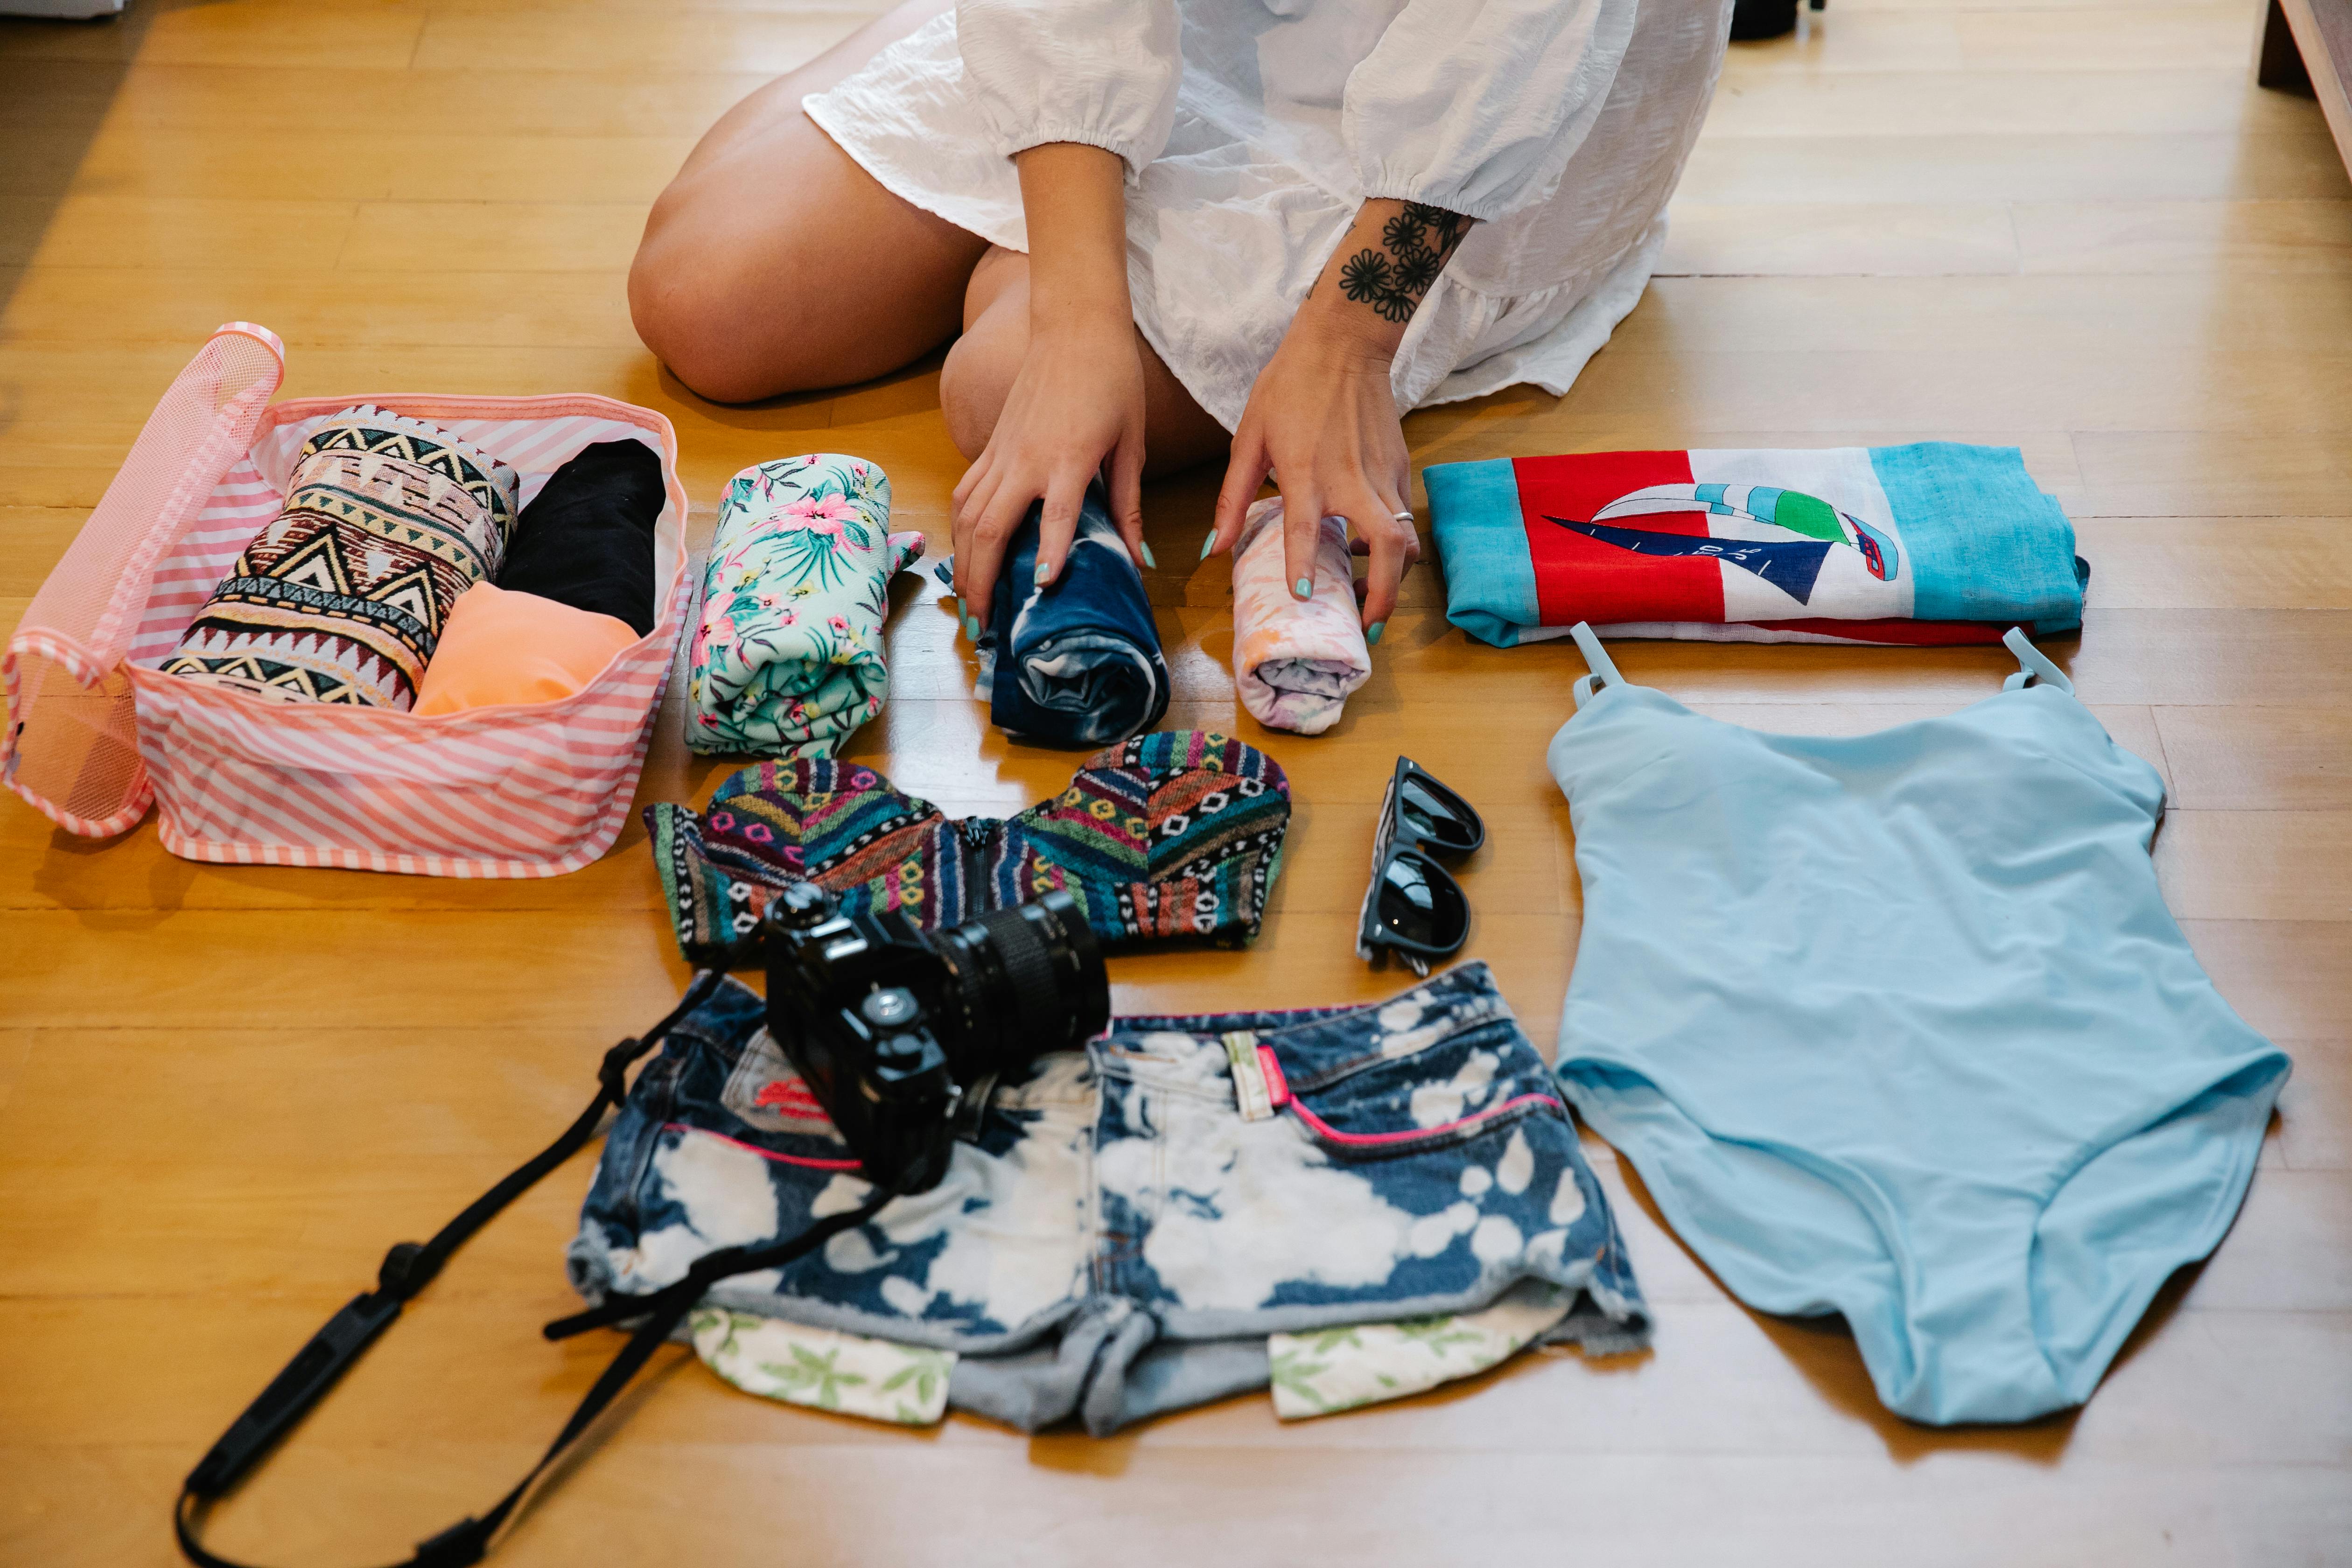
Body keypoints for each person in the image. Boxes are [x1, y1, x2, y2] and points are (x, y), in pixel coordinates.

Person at [629, 0, 1732, 647]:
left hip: (1503, 83)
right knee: (708, 305)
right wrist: (1080, 320)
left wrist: (1349, 339)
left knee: (995, 380)